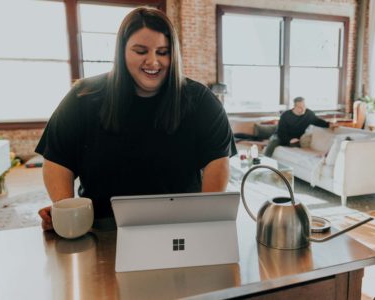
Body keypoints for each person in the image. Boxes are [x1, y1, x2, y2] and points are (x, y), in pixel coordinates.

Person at [37, 7, 236, 230]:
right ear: (122, 52)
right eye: (141, 51)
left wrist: (204, 218)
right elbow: (57, 160)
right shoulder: (84, 96)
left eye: (163, 52)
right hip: (101, 226)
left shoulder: (201, 101)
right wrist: (67, 212)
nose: (153, 62)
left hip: (180, 227)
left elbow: (217, 162)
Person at [264, 97, 332, 157]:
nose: (303, 109)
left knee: (296, 146)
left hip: (296, 139)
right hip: (281, 136)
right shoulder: (285, 115)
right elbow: (281, 132)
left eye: (304, 106)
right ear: (294, 107)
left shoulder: (309, 114)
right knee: (273, 141)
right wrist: (289, 140)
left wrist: (329, 124)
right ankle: (265, 162)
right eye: (300, 107)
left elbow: (318, 121)